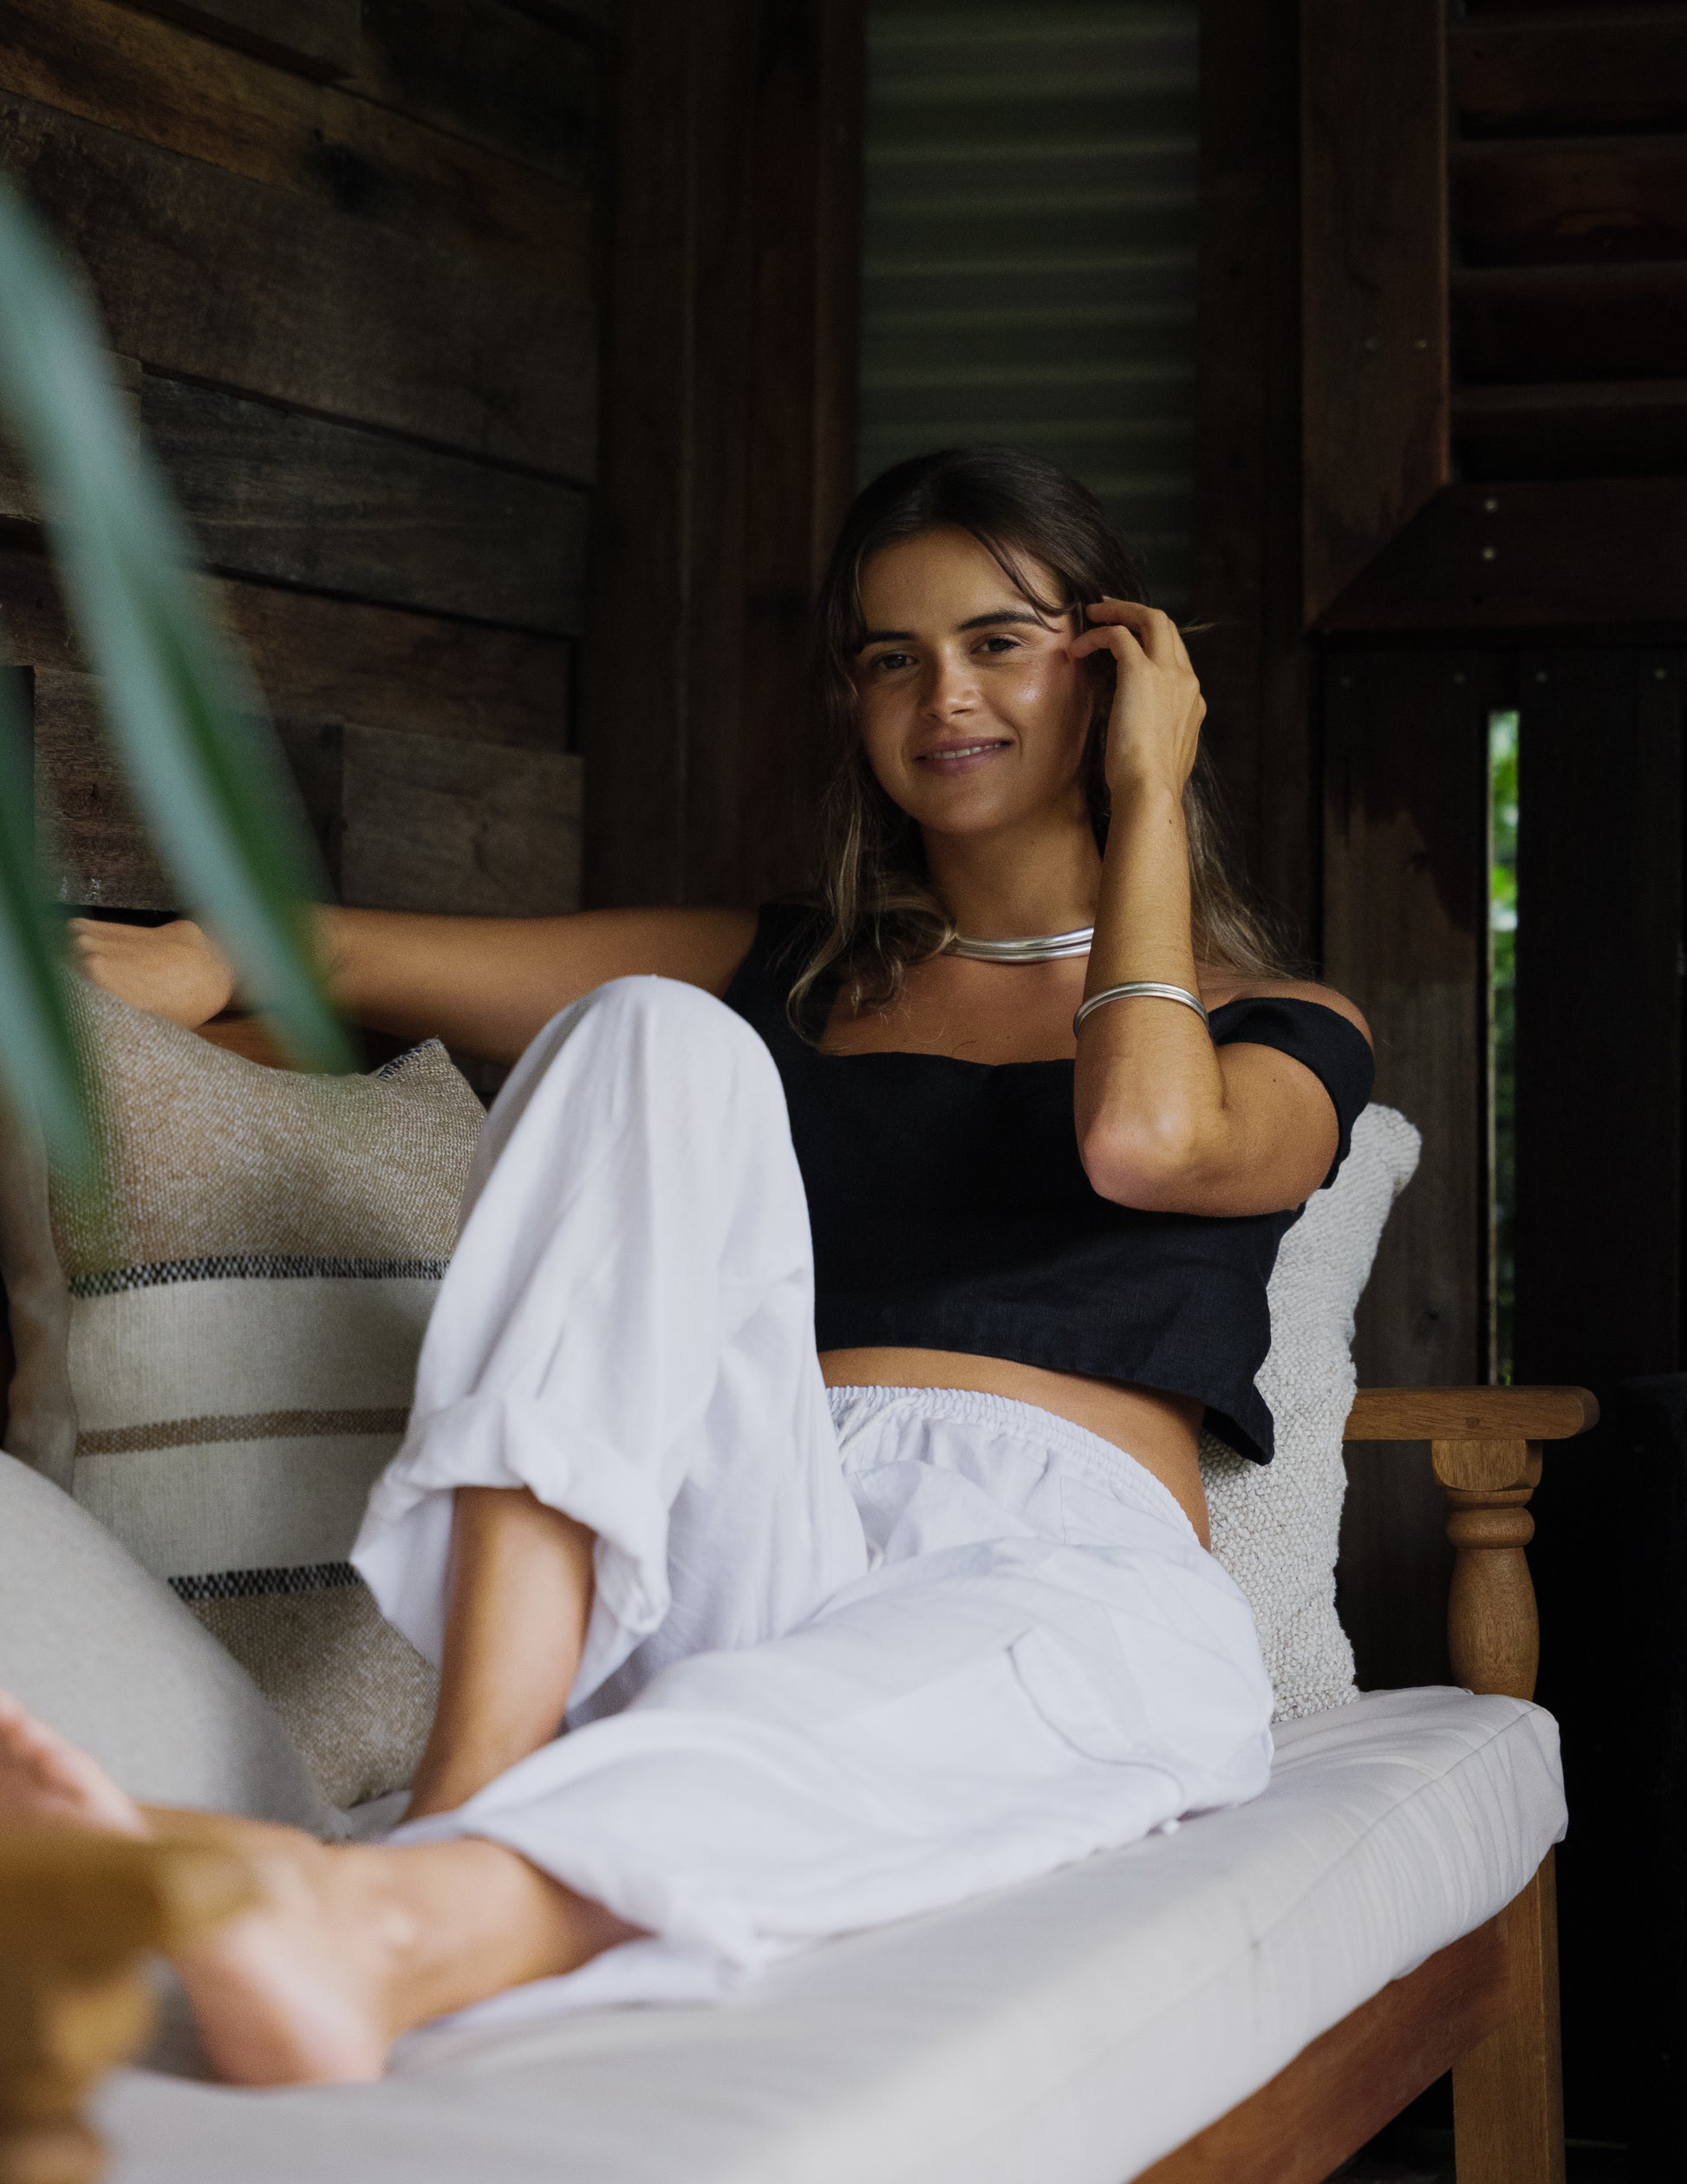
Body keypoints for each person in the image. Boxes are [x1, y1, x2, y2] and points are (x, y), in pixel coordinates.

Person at [0, 447, 1372, 2087]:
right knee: (645, 1032)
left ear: (1116, 666)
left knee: (850, 1726)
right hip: (763, 1507)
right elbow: (358, 951)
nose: (943, 694)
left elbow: (1143, 1144)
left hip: (1062, 1556)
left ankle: (390, 1927)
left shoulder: (1276, 1028)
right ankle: (476, 1780)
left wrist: (1149, 796)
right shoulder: (779, 973)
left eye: (998, 641)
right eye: (890, 657)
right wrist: (199, 953)